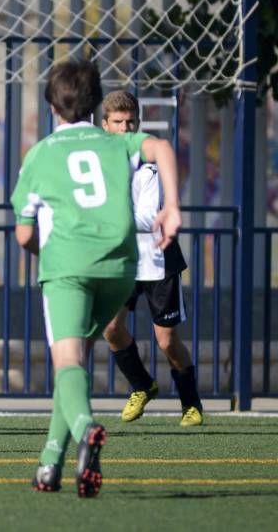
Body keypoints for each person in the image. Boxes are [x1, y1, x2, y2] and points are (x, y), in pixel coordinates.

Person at [10, 60, 182, 497]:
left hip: (69, 269)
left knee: (67, 364)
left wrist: (43, 253)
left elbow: (24, 233)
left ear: (52, 104)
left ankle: (86, 430)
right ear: (95, 104)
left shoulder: (41, 153)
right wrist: (172, 207)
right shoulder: (115, 142)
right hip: (120, 268)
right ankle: (50, 463)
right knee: (75, 364)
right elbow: (161, 148)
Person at [100, 91, 203, 427]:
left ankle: (191, 403)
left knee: (167, 340)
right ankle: (143, 386)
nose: (125, 128)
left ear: (139, 124)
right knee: (111, 328)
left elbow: (148, 217)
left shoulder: (151, 165)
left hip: (157, 260)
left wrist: (108, 219)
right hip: (122, 261)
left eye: (131, 121)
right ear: (105, 125)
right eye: (118, 122)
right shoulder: (98, 167)